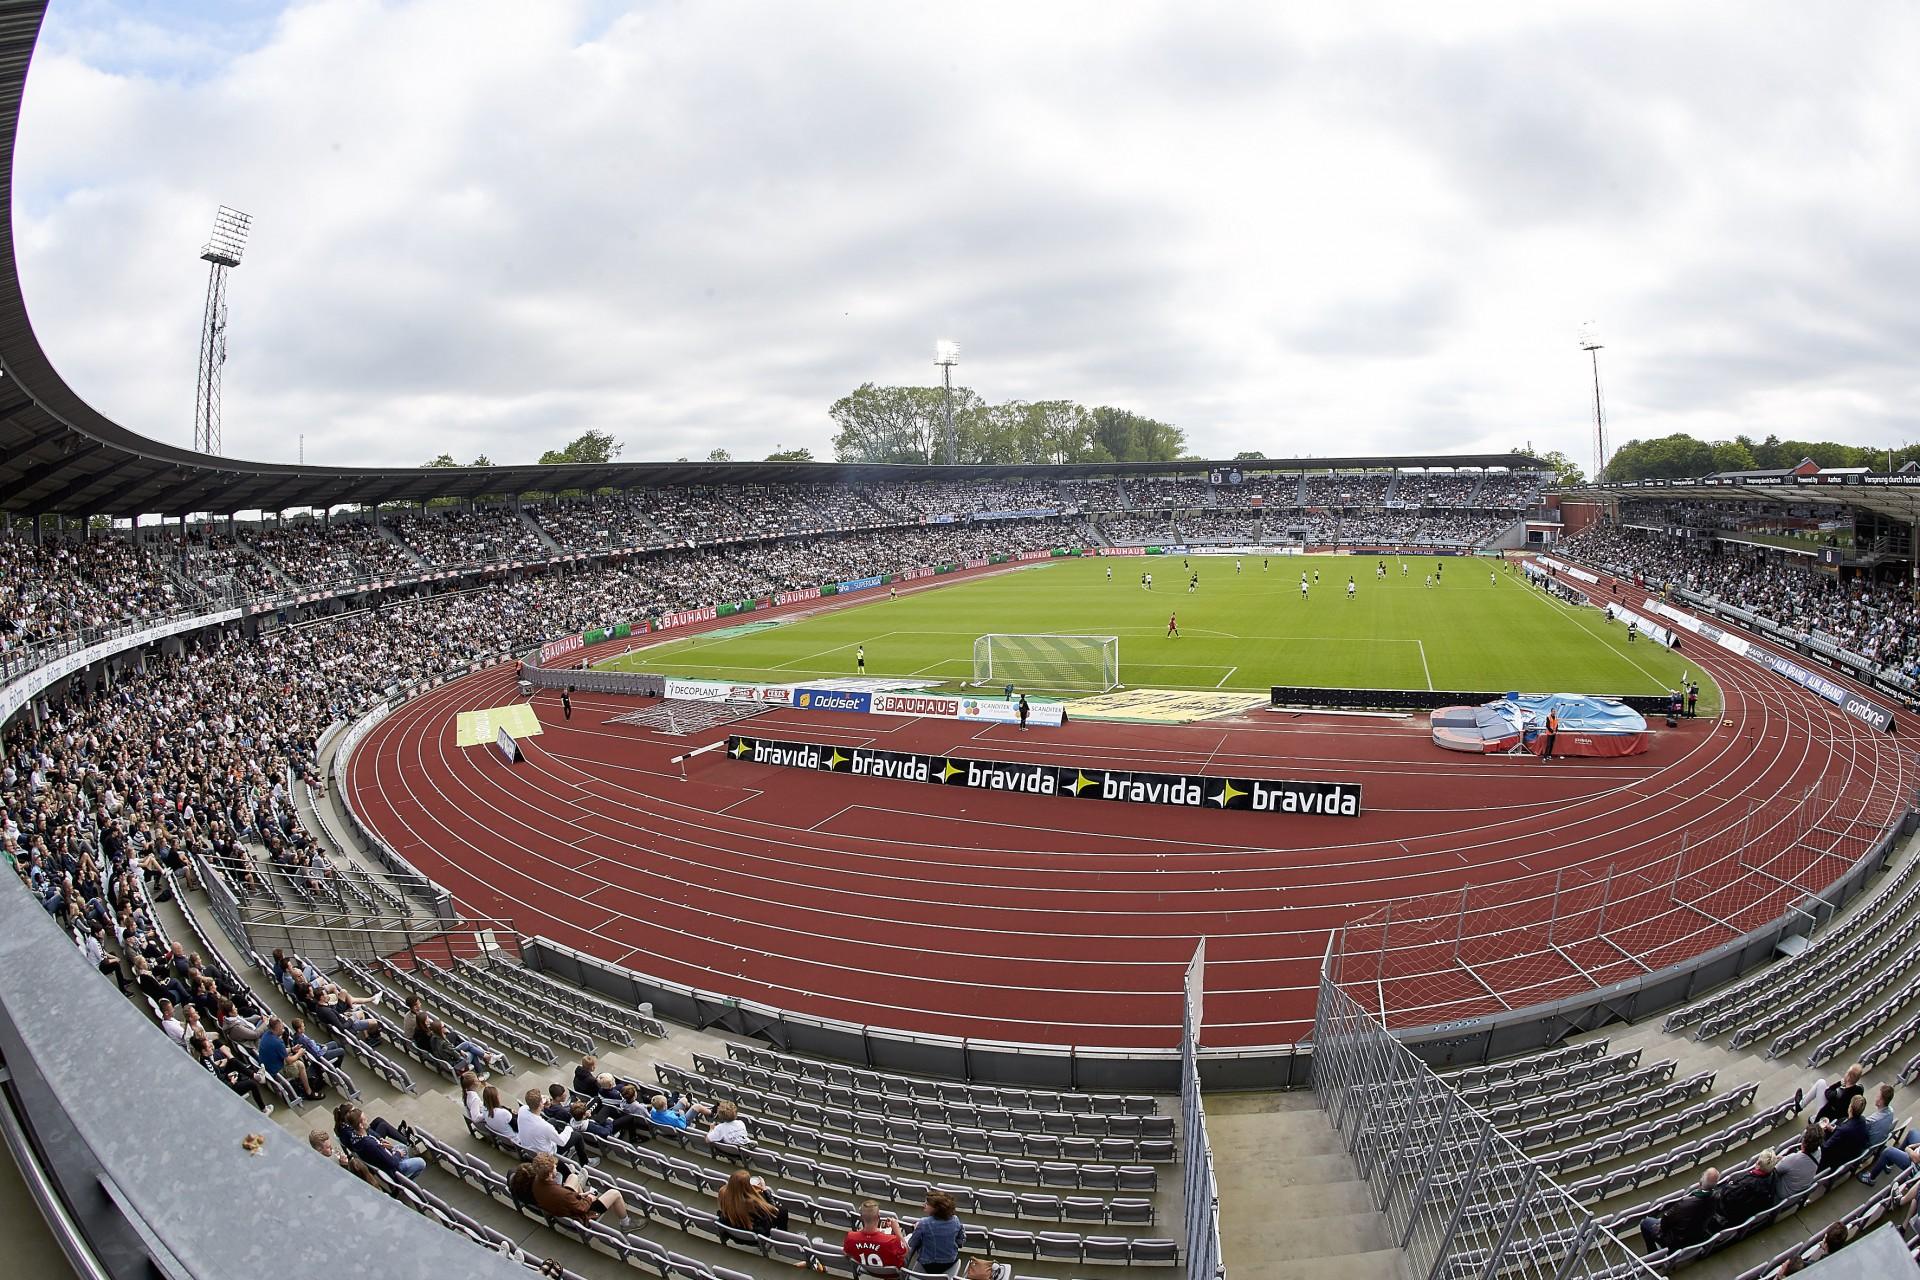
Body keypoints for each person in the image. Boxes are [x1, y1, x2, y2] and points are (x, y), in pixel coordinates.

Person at [523, 1151, 631, 1228]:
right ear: (551, 1174)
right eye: (555, 1167)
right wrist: (589, 1198)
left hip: (559, 1206)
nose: (556, 1167)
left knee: (573, 1177)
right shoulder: (563, 1194)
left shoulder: (536, 1181)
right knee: (615, 1193)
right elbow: (582, 1208)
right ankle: (626, 1223)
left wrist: (578, 1196)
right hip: (578, 1214)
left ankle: (580, 1187)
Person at [1639, 1168, 1719, 1253]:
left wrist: (1660, 1229)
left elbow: (1666, 1221)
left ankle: (1652, 1253)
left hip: (1676, 1240)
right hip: (1697, 1235)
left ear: (1701, 1182)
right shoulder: (1716, 1197)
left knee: (1645, 1223)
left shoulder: (1685, 1203)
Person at [906, 1190, 967, 1274]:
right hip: (949, 1262)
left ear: (936, 1208)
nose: (923, 1205)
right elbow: (960, 1242)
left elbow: (912, 1243)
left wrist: (917, 1229)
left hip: (927, 1265)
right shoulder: (956, 1220)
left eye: (927, 1204)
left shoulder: (923, 1223)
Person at [1715, 1149, 1780, 1224]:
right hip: (1751, 1208)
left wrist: (1728, 1186)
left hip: (1732, 1212)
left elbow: (1728, 1197)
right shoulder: (1774, 1174)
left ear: (1758, 1163)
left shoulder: (1747, 1183)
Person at [716, 1169, 788, 1236]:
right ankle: (782, 1234)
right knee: (782, 1211)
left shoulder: (723, 1192)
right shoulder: (752, 1202)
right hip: (755, 1231)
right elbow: (773, 1210)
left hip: (734, 1224)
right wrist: (765, 1189)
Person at [844, 1200, 908, 1270]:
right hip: (893, 1275)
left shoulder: (850, 1237)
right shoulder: (891, 1240)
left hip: (867, 1270)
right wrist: (898, 1232)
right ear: (878, 1216)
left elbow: (847, 1254)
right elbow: (905, 1253)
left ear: (861, 1217)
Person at [1820, 1095, 1871, 1170]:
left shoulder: (1843, 1130)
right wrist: (1835, 1129)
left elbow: (1825, 1147)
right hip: (1850, 1153)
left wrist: (1819, 1134)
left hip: (1837, 1159)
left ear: (1850, 1108)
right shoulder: (1863, 1121)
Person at [1777, 1126, 1822, 1197]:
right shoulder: (1819, 1152)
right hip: (1796, 1195)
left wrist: (1781, 1159)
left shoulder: (1792, 1159)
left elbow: (1775, 1170)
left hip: (1780, 1194)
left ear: (1803, 1141)